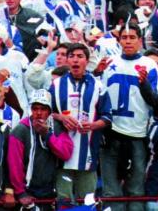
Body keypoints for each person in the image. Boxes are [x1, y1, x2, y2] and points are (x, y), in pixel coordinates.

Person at [99, 23, 158, 211]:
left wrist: (144, 84)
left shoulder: (149, 64)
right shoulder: (110, 63)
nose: (128, 41)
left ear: (140, 41)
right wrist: (96, 72)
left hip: (137, 133)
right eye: (124, 37)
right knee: (110, 190)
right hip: (112, 131)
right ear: (119, 40)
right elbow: (99, 97)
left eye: (132, 37)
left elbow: (155, 100)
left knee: (136, 189)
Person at [49, 42, 111, 204]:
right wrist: (61, 117)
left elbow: (108, 116)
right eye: (72, 56)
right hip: (62, 156)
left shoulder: (98, 86)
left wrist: (94, 125)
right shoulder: (56, 85)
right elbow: (45, 113)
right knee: (64, 201)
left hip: (88, 153)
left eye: (80, 56)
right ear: (67, 61)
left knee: (87, 202)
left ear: (87, 61)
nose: (75, 60)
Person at [5, 90, 72, 208]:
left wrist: (47, 135)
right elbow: (14, 164)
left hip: (50, 190)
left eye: (43, 109)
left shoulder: (56, 127)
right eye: (35, 109)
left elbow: (66, 153)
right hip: (27, 191)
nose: (39, 113)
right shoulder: (20, 130)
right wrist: (20, 192)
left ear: (49, 111)